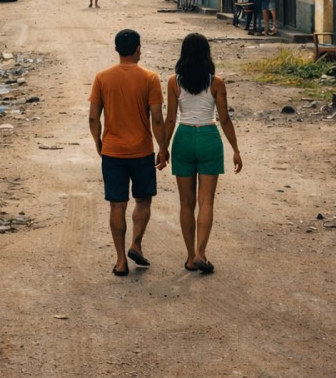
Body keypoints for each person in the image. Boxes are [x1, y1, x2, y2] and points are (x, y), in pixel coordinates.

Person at [88, 29, 167, 277]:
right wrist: (163, 147)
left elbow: (93, 117)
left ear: (117, 49)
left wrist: (98, 143)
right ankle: (136, 244)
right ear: (138, 49)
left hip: (113, 152)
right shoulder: (150, 78)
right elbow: (157, 117)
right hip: (141, 151)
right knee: (143, 200)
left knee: (117, 206)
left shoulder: (102, 78)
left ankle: (121, 260)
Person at [162, 33, 243, 274]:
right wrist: (236, 150)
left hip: (183, 138)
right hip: (209, 138)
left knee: (186, 203)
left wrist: (163, 147)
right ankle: (201, 253)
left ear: (183, 54)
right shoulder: (216, 82)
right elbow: (225, 119)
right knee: (206, 201)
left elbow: (170, 118)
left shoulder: (173, 82)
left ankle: (189, 258)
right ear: (207, 54)